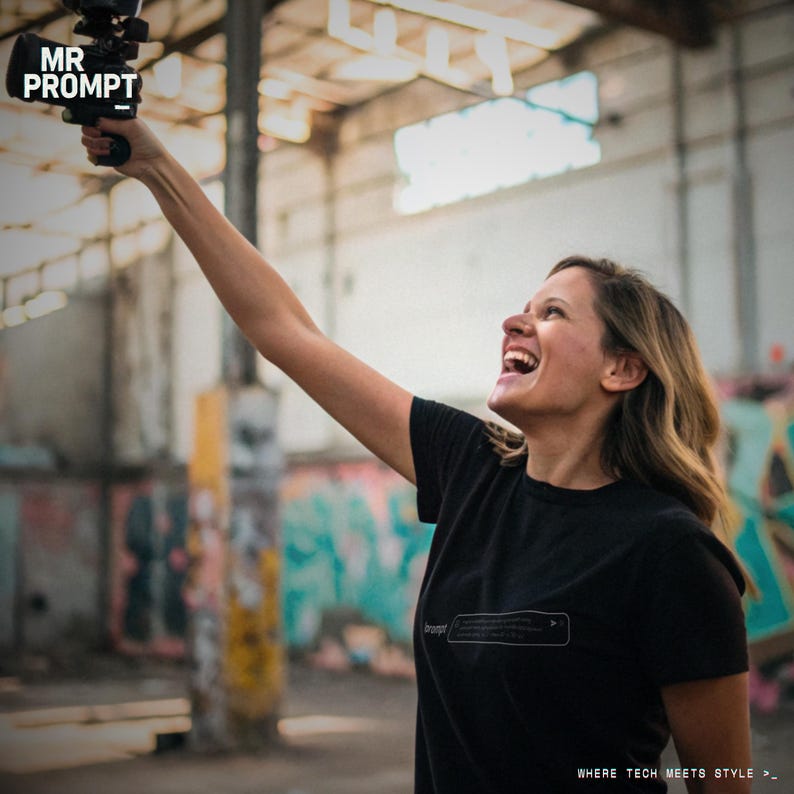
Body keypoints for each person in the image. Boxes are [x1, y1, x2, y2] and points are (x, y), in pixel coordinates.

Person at [82, 118, 751, 793]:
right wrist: (156, 166)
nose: (514, 322)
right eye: (524, 308)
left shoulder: (668, 553)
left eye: (552, 313)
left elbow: (723, 782)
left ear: (624, 370)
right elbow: (284, 332)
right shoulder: (473, 468)